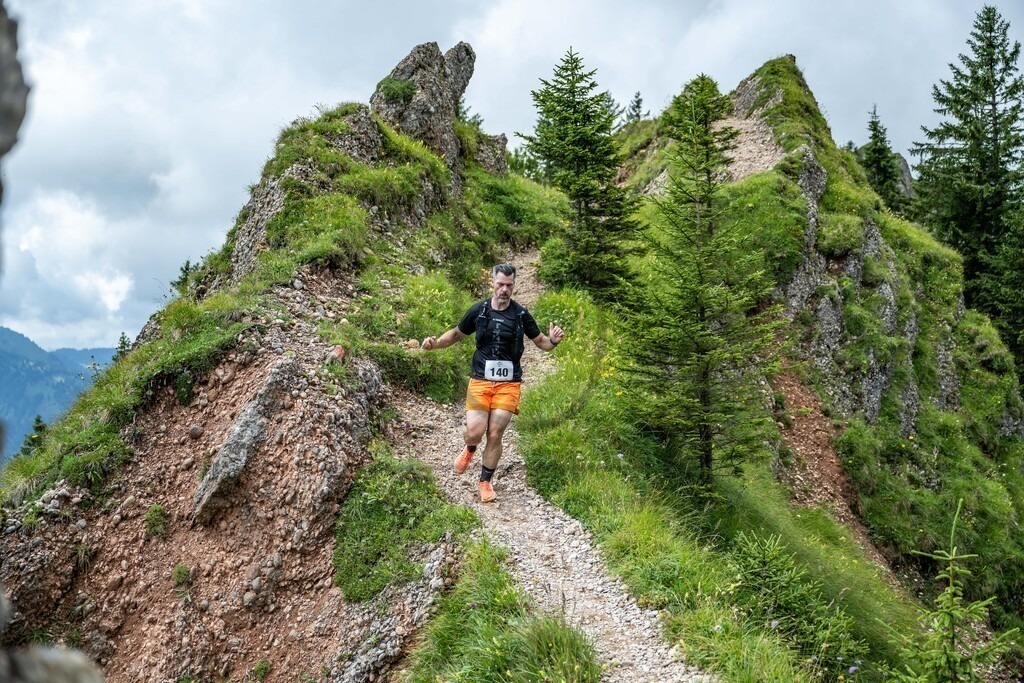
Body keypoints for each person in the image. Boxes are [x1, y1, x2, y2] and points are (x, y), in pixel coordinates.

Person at [421, 263, 564, 502]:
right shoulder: (479, 311)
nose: (504, 289)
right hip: (480, 381)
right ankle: (469, 448)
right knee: (475, 432)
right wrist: (434, 344)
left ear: (513, 285)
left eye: (509, 285)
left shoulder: (520, 315)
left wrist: (554, 340)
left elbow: (541, 342)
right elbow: (456, 334)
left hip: (508, 384)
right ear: (493, 283)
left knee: (495, 432)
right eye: (500, 284)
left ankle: (485, 481)